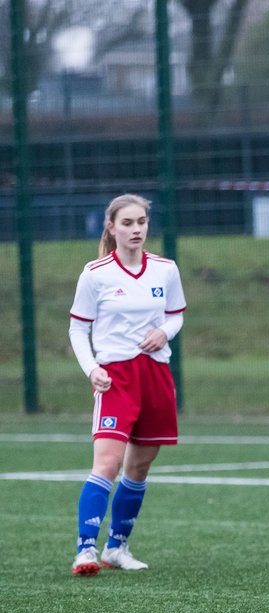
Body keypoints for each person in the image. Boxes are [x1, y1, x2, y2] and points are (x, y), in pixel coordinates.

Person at [67, 194, 186, 576]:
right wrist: (91, 370)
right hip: (114, 377)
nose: (136, 230)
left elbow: (175, 316)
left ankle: (116, 547)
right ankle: (85, 550)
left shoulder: (165, 269)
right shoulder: (96, 273)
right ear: (111, 227)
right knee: (107, 463)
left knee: (139, 469)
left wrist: (163, 332)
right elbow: (77, 327)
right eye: (128, 223)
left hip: (154, 374)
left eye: (141, 222)